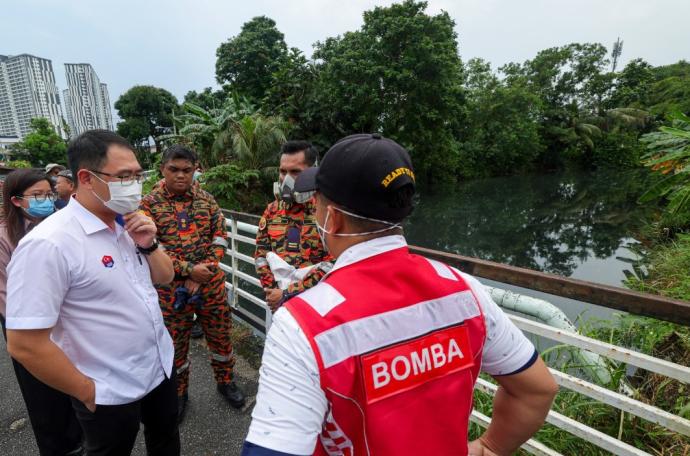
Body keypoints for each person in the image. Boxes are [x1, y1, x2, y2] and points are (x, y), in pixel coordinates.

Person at [241, 134, 559, 456]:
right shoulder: (463, 290)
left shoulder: (303, 325)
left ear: (331, 219)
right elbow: (536, 390)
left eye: (318, 203)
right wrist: (488, 447)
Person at [6, 130, 180, 456]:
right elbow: (24, 342)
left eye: (139, 175)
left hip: (159, 365)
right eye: (124, 176)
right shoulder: (49, 244)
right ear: (86, 178)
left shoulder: (127, 222)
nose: (135, 185)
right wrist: (85, 390)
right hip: (108, 388)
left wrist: (150, 244)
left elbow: (166, 277)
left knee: (166, 437)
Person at [140, 144, 245, 423]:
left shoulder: (207, 200)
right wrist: (187, 271)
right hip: (170, 288)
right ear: (163, 169)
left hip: (210, 285)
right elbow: (150, 246)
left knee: (221, 337)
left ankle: (226, 382)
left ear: (196, 170)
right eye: (174, 169)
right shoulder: (148, 205)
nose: (181, 176)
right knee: (175, 346)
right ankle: (179, 393)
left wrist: (204, 271)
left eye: (187, 170)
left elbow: (220, 236)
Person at [0, 169, 82, 456]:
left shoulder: (58, 225)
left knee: (71, 380)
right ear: (16, 200)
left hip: (64, 318)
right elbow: (6, 295)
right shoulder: (5, 237)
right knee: (43, 395)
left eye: (48, 194)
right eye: (36, 196)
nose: (45, 200)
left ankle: (81, 439)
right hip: (27, 325)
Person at [254, 140, 333, 312]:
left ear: (312, 172)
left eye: (295, 172)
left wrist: (289, 293)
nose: (286, 179)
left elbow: (333, 261)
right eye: (283, 171)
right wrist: (273, 291)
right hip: (278, 303)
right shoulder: (272, 210)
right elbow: (261, 254)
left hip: (316, 305)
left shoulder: (327, 211)